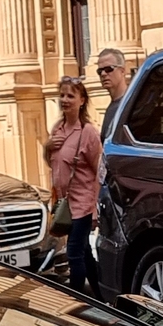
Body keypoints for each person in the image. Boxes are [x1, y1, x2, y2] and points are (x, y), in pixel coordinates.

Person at [45, 76, 101, 296]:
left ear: (82, 100)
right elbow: (52, 163)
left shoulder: (88, 132)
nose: (65, 100)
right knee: (85, 252)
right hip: (65, 204)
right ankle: (102, 297)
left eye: (70, 95)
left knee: (74, 254)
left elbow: (100, 171)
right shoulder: (57, 129)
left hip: (83, 205)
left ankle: (76, 301)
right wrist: (47, 147)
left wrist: (96, 208)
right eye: (62, 95)